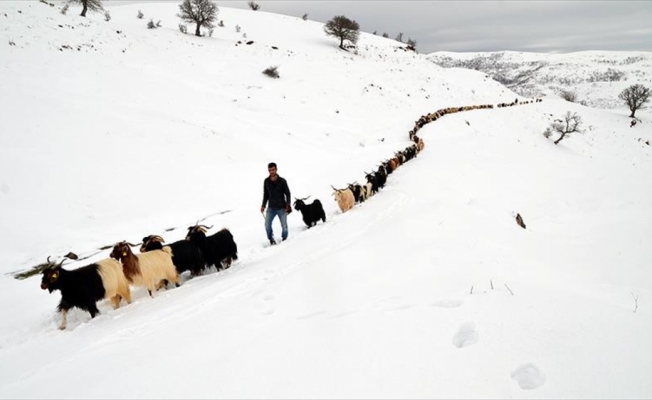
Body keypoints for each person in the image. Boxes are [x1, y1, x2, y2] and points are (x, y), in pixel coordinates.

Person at [260, 162, 292, 245]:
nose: (271, 172)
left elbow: (287, 193)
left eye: (273, 170)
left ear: (276, 169)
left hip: (282, 208)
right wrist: (263, 205)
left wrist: (288, 204)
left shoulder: (282, 181)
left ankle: (284, 240)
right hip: (271, 208)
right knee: (267, 225)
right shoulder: (266, 181)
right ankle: (271, 239)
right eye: (270, 170)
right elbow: (265, 194)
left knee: (284, 227)